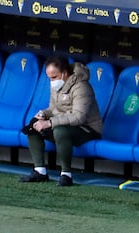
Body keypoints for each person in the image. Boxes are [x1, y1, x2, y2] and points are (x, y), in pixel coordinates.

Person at [20, 56, 102, 186]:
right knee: (34, 124)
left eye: (54, 77)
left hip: (87, 129)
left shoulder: (82, 87)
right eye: (49, 77)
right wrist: (44, 114)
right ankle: (40, 171)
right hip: (65, 125)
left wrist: (50, 122)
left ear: (64, 73)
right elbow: (53, 108)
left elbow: (79, 117)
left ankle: (66, 175)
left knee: (59, 130)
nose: (51, 81)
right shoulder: (57, 85)